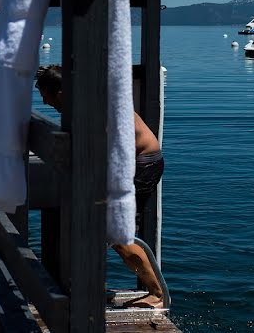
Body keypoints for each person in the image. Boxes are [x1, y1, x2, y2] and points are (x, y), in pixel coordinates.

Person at [35, 65, 166, 309]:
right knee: (94, 225)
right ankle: (91, 284)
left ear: (61, 94)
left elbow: (108, 146)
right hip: (127, 164)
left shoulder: (92, 107)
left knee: (116, 231)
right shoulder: (83, 102)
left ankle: (157, 295)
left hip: (142, 164)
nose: (45, 102)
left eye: (47, 96)